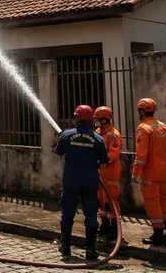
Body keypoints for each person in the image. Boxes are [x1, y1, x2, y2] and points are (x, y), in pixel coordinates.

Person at [55, 105, 108, 260]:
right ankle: (91, 250)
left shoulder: (67, 135)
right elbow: (104, 163)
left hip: (71, 180)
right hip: (90, 181)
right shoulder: (98, 138)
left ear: (76, 118)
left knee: (67, 213)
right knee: (91, 215)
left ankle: (65, 247)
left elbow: (58, 152)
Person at [132, 97, 166, 246]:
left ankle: (158, 235)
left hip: (150, 173)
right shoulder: (164, 127)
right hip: (164, 171)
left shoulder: (143, 129)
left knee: (152, 203)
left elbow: (141, 156)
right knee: (165, 201)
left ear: (141, 111)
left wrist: (135, 173)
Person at [94, 106, 122, 239]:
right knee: (100, 200)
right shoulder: (98, 132)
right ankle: (104, 225)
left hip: (110, 172)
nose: (96, 122)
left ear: (105, 119)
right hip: (100, 172)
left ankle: (114, 228)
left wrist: (102, 161)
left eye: (97, 119)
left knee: (110, 201)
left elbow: (114, 154)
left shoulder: (114, 135)